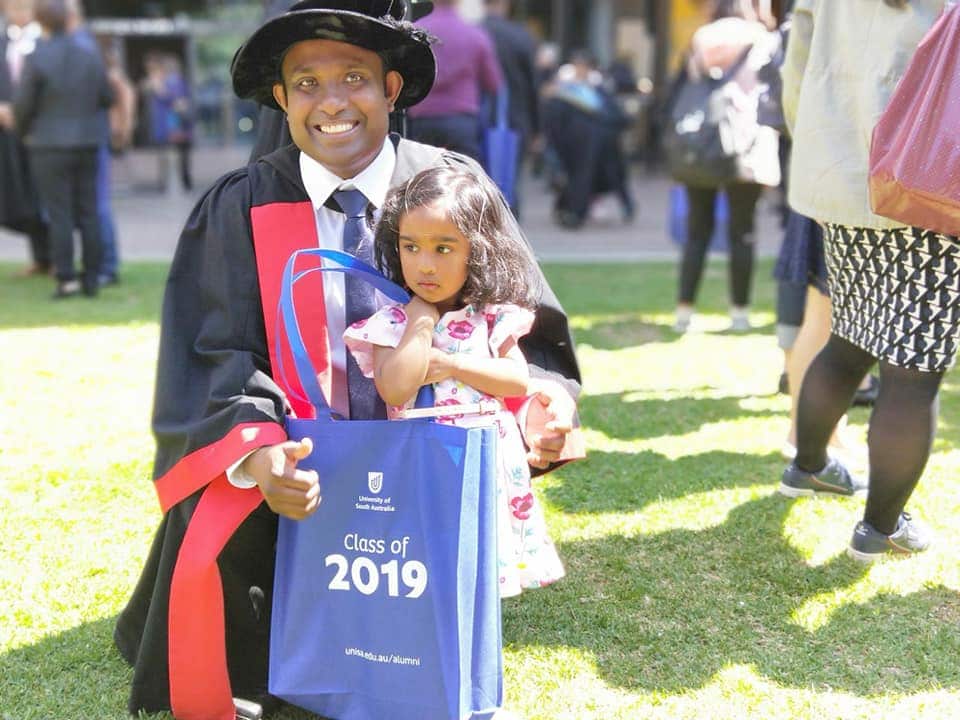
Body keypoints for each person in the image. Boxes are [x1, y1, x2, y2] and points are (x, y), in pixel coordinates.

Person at [112, 2, 581, 718]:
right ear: (281, 99)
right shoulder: (244, 205)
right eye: (306, 83)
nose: (331, 102)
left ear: (392, 89)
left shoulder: (454, 189)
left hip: (432, 468)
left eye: (354, 77)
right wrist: (262, 454)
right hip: (306, 473)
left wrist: (547, 398)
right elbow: (217, 350)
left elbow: (523, 316)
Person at [779, 0, 953, 561]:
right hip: (927, 183)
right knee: (913, 370)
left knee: (850, 336)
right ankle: (881, 528)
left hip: (841, 174)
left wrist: (818, 148)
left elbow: (796, 71)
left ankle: (808, 467)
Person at [344, 165, 566, 596]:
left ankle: (481, 608)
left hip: (486, 453)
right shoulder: (392, 323)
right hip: (422, 456)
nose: (425, 265)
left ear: (476, 252)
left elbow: (515, 379)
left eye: (443, 249)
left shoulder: (490, 318)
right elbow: (395, 387)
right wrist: (421, 323)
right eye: (411, 247)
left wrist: (453, 365)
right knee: (431, 541)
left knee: (484, 532)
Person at [668, 0, 780, 333]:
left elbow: (689, 80)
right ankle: (740, 312)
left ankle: (684, 311)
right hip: (746, 145)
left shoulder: (703, 36)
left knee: (696, 232)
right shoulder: (763, 37)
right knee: (742, 232)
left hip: (701, 144)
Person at [13, 0, 111, 298]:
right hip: (88, 140)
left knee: (59, 215)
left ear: (40, 22)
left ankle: (66, 279)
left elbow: (23, 106)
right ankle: (92, 278)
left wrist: (24, 131)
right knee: (89, 211)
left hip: (48, 144)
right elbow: (105, 97)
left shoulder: (37, 57)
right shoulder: (90, 54)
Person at [541, 49, 635, 229]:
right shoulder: (564, 92)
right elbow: (555, 121)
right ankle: (575, 211)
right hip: (578, 143)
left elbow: (614, 114)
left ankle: (623, 206)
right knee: (579, 177)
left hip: (604, 142)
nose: (581, 70)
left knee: (610, 175)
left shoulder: (598, 89)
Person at [408, 0, 502, 161]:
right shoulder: (476, 35)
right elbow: (493, 82)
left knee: (422, 177)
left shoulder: (416, 32)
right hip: (461, 121)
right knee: (464, 177)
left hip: (422, 119)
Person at [0, 0, 49, 277]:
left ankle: (55, 257)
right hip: (8, 134)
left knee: (45, 194)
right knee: (21, 195)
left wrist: (23, 111)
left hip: (41, 130)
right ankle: (40, 256)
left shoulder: (47, 41)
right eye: (12, 6)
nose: (17, 12)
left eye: (23, 6)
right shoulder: (2, 42)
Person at [481, 0, 539, 217]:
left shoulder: (477, 32)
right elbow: (533, 85)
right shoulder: (521, 37)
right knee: (510, 182)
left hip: (478, 120)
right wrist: (537, 128)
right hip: (516, 119)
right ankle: (512, 237)